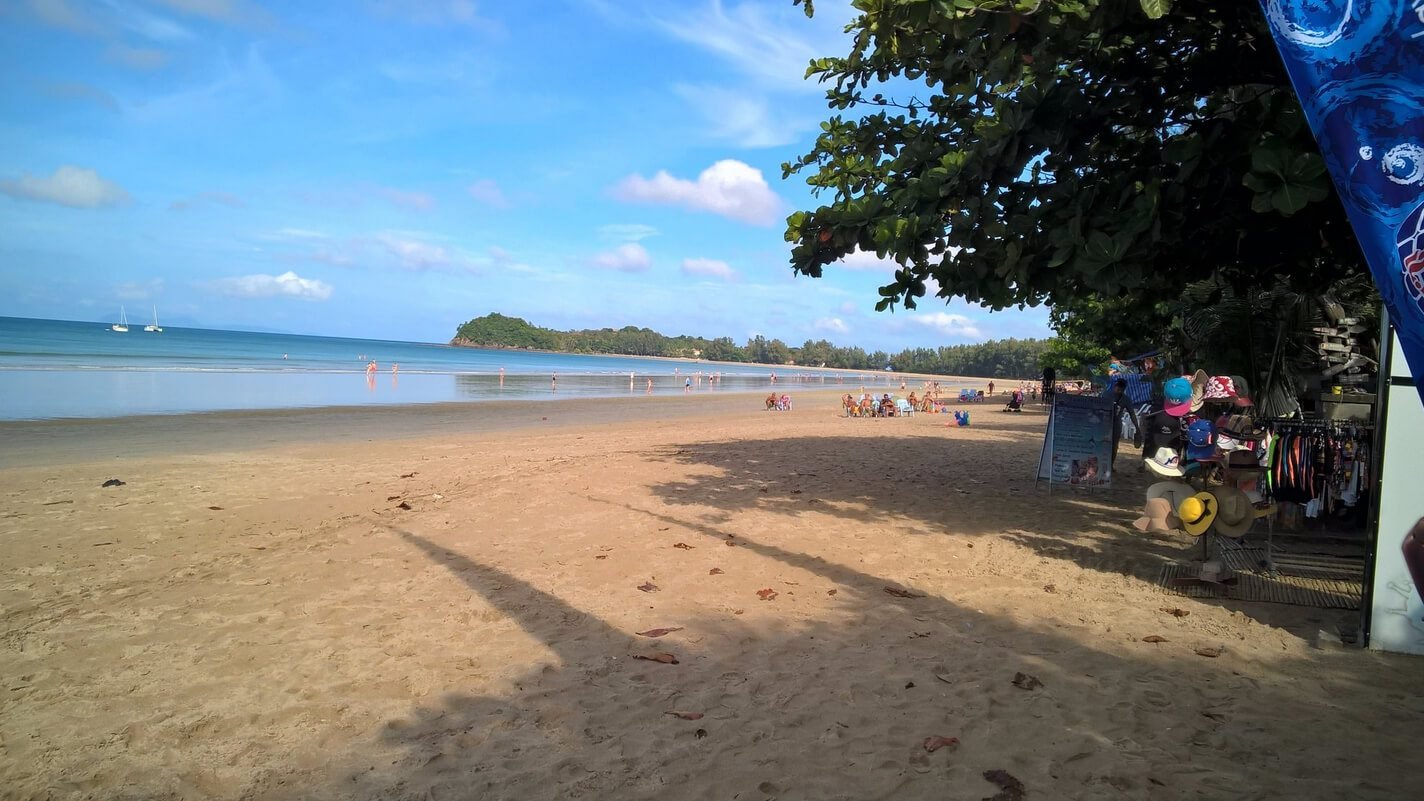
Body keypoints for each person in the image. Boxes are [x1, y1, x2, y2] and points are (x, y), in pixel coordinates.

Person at [1108, 378, 1139, 469]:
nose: (1119, 389)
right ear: (1114, 386)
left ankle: (1111, 466)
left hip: (1116, 425)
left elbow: (1132, 414)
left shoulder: (1126, 399)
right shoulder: (1106, 395)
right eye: (1118, 387)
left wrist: (1137, 428)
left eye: (1121, 388)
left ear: (1124, 389)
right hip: (1104, 424)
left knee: (1114, 446)